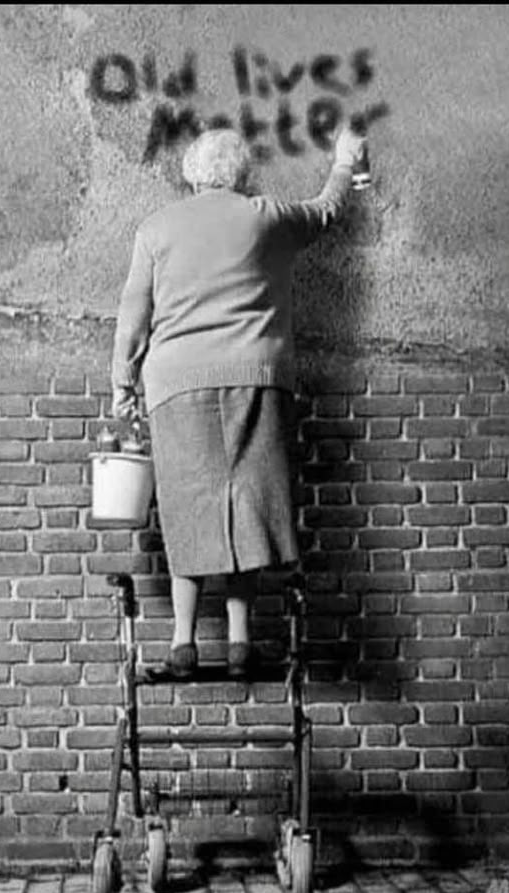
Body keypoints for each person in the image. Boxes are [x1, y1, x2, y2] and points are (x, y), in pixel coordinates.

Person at [111, 124, 366, 678]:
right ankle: (240, 641)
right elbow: (325, 210)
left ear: (192, 175)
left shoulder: (157, 229)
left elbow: (134, 312)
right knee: (246, 502)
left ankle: (182, 642)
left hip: (176, 384)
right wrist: (345, 159)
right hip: (256, 375)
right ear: (242, 174)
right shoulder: (264, 216)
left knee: (187, 503)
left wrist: (121, 383)